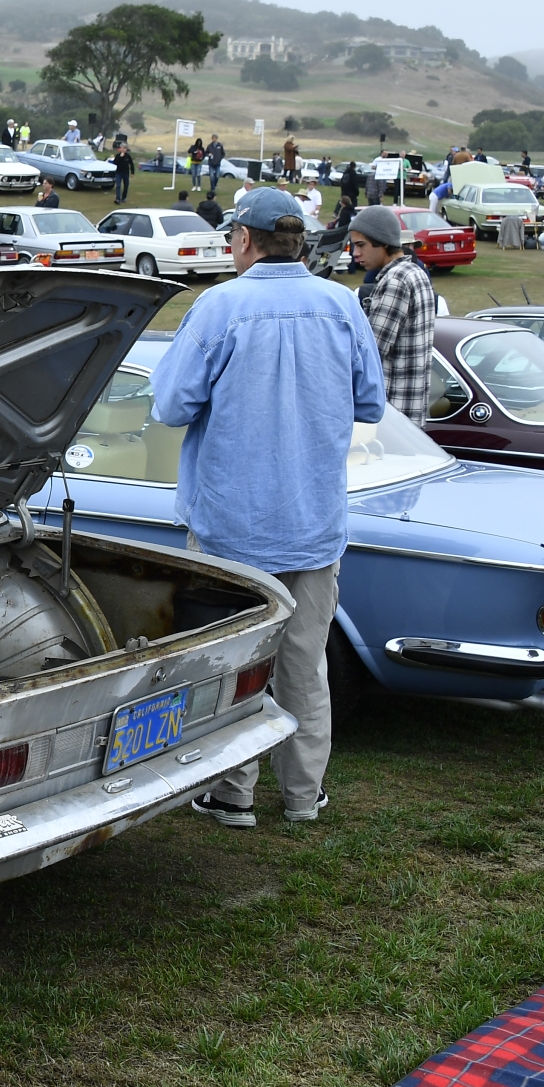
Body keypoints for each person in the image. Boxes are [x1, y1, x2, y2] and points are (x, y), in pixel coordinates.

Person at [153, 189, 385, 827]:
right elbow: (371, 402)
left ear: (244, 240)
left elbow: (170, 405)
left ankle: (233, 793)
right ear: (298, 241)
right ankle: (304, 795)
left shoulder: (219, 306)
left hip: (230, 526)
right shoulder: (341, 304)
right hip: (313, 521)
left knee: (233, 662)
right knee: (305, 664)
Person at [348, 207, 437, 420]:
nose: (355, 253)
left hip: (391, 413)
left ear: (384, 242)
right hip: (410, 412)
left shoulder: (395, 280)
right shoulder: (416, 272)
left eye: (361, 245)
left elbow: (370, 354)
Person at [112, 139, 135, 205]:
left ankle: (124, 198)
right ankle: (118, 199)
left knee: (126, 186)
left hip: (126, 173)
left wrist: (132, 172)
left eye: (125, 148)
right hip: (118, 173)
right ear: (120, 149)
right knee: (118, 186)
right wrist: (120, 157)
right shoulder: (117, 156)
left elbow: (131, 164)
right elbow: (115, 163)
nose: (123, 149)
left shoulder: (128, 156)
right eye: (122, 148)